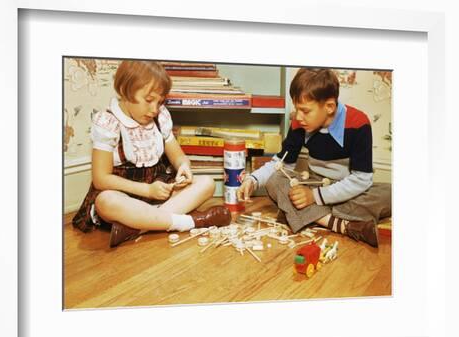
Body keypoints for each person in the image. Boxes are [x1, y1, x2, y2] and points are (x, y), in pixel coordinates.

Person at [72, 60, 231, 247]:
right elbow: (101, 179)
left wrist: (183, 167)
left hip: (159, 196)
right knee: (105, 201)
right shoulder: (108, 122)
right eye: (148, 100)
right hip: (126, 197)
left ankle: (138, 226)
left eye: (160, 101)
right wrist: (147, 190)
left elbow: (178, 156)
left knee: (207, 183)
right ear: (125, 90)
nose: (154, 109)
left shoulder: (160, 117)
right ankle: (191, 222)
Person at [237, 68, 391, 248]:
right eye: (296, 109)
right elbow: (281, 165)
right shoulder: (299, 123)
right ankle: (341, 224)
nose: (298, 116)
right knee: (274, 181)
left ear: (329, 107)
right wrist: (253, 179)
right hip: (313, 183)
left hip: (346, 188)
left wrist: (315, 197)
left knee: (390, 194)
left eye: (305, 111)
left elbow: (361, 179)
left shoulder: (358, 123)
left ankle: (302, 214)